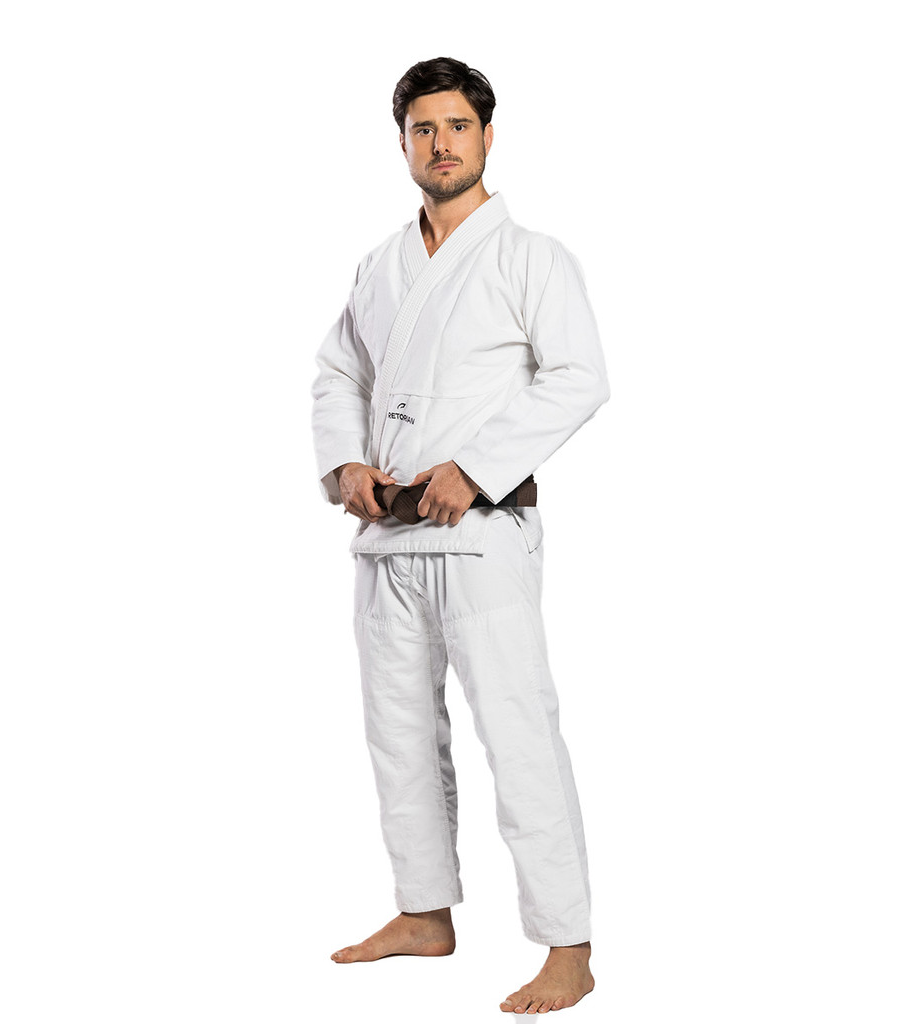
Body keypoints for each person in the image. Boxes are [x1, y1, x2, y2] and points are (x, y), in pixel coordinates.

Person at [311, 56, 609, 1014]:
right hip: (385, 536)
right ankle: (424, 912)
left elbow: (579, 377)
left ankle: (568, 945)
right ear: (402, 142)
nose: (440, 144)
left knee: (519, 733)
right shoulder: (380, 264)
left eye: (457, 126)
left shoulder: (531, 257)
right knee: (397, 735)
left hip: (482, 532)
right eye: (423, 129)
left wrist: (474, 468)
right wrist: (344, 466)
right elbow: (339, 373)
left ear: (487, 135)